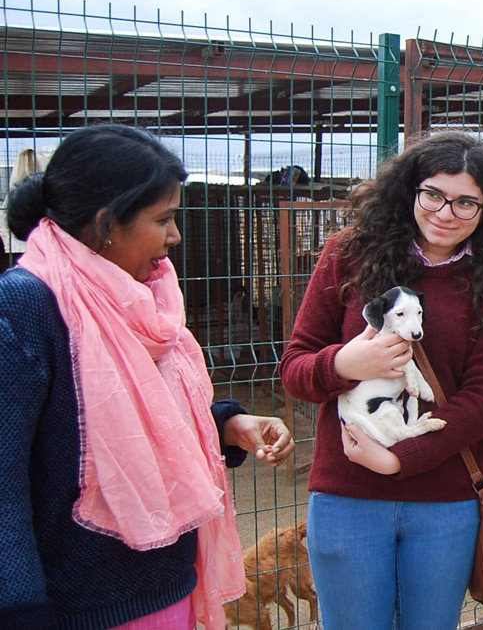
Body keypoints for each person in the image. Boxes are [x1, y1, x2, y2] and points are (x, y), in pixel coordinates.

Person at [0, 124, 294, 630]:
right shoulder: (25, 308)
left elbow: (148, 417)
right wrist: (21, 608)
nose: (175, 236)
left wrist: (225, 424)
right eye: (164, 219)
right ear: (107, 221)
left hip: (167, 581)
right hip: (81, 607)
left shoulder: (149, 297)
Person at [279, 131, 483, 630]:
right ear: (411, 191)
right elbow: (295, 367)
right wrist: (344, 365)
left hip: (444, 498)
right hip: (348, 492)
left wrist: (400, 456)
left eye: (467, 203)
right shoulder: (348, 255)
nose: (446, 214)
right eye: (434, 195)